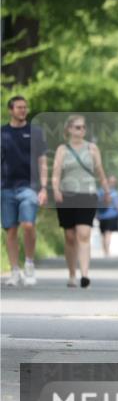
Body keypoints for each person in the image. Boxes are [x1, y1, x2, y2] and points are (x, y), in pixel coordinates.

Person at [51, 115, 110, 288]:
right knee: (70, 236)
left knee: (84, 234)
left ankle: (85, 275)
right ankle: (72, 273)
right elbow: (56, 173)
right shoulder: (62, 149)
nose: (81, 130)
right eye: (77, 127)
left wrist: (106, 191)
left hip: (87, 194)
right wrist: (55, 189)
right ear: (68, 129)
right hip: (67, 195)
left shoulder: (92, 148)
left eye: (83, 127)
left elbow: (100, 171)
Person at [2, 95, 48, 287]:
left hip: (29, 187)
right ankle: (14, 271)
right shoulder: (2, 133)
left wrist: (44, 187)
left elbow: (42, 161)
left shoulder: (35, 132)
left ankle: (29, 263)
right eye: (19, 107)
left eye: (25, 107)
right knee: (10, 231)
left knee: (28, 225)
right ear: (11, 110)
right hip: (5, 187)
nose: (23, 110)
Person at [97, 175, 118, 257]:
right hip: (111, 215)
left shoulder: (100, 191)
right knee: (108, 233)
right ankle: (107, 251)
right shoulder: (114, 193)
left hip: (101, 216)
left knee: (103, 234)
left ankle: (105, 251)